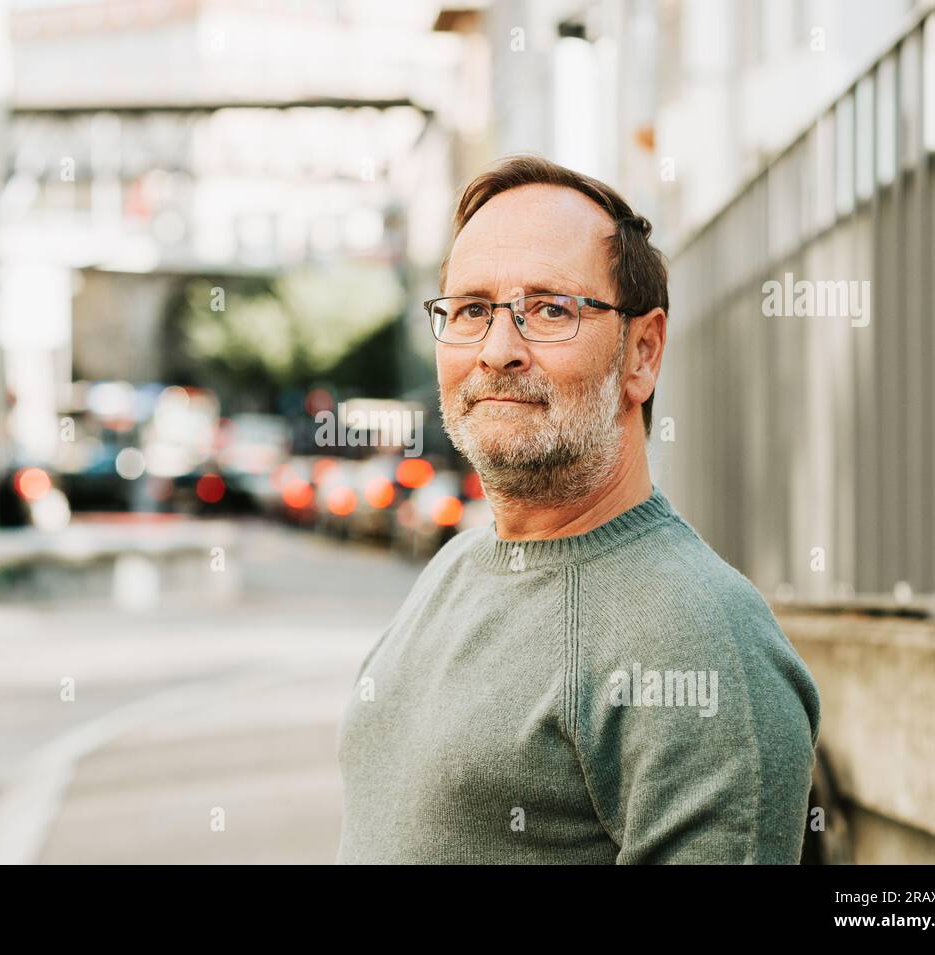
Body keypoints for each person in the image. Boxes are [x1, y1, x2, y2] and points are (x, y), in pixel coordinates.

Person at [335, 154, 821, 864]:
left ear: (642, 353)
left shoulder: (702, 643)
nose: (499, 349)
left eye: (550, 310)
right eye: (471, 310)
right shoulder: (456, 567)